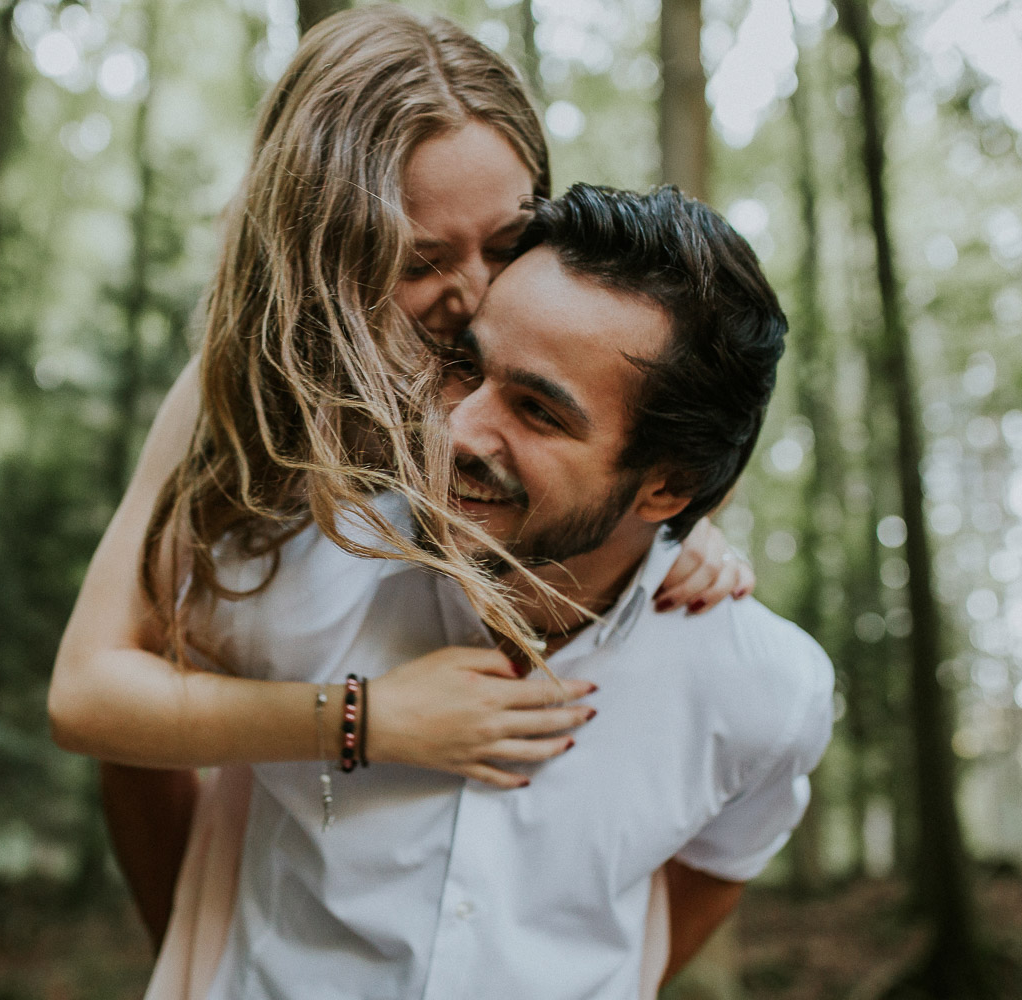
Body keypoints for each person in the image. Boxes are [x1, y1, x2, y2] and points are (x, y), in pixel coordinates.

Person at [48, 3, 752, 954]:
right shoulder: (241, 395)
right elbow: (90, 693)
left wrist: (661, 524)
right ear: (322, 252)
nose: (472, 294)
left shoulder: (553, 361)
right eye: (420, 260)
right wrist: (365, 719)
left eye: (505, 242)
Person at [183, 184, 834, 999]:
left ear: (667, 488)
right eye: (465, 367)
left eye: (536, 410)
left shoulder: (765, 691)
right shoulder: (284, 567)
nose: (456, 429)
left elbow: (717, 868)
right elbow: (125, 728)